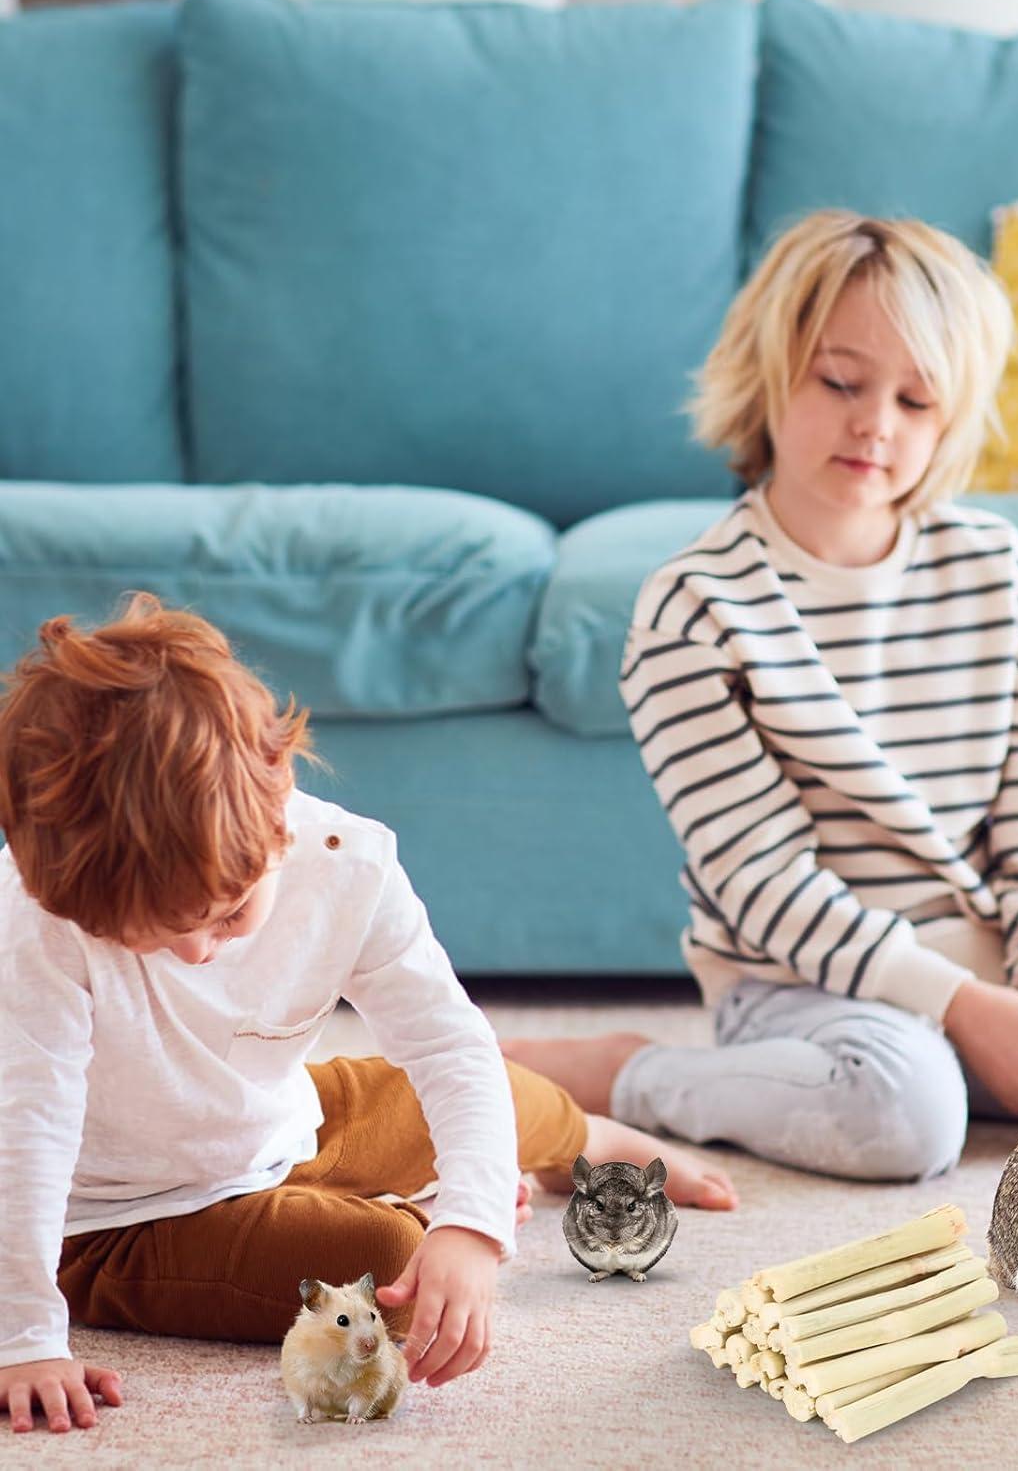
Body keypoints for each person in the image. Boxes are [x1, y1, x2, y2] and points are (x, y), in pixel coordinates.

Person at [505, 210, 1018, 1181]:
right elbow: (763, 884)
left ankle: (988, 1064)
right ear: (768, 372)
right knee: (902, 1119)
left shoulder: (1001, 572)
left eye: (917, 400)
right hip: (806, 984)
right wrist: (961, 1006)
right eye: (840, 382)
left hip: (1001, 971)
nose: (875, 423)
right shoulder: (696, 608)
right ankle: (632, 1073)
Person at [0, 595, 734, 1436]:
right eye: (151, 939)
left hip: (279, 1124)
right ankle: (433, 1198)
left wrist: (472, 1224)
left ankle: (586, 1139)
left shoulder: (347, 863)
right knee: (392, 1271)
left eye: (227, 916)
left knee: (489, 1091)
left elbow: (448, 1045)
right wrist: (24, 1335)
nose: (197, 953)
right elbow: (27, 1130)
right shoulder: (38, 920)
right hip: (121, 1219)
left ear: (279, 796)